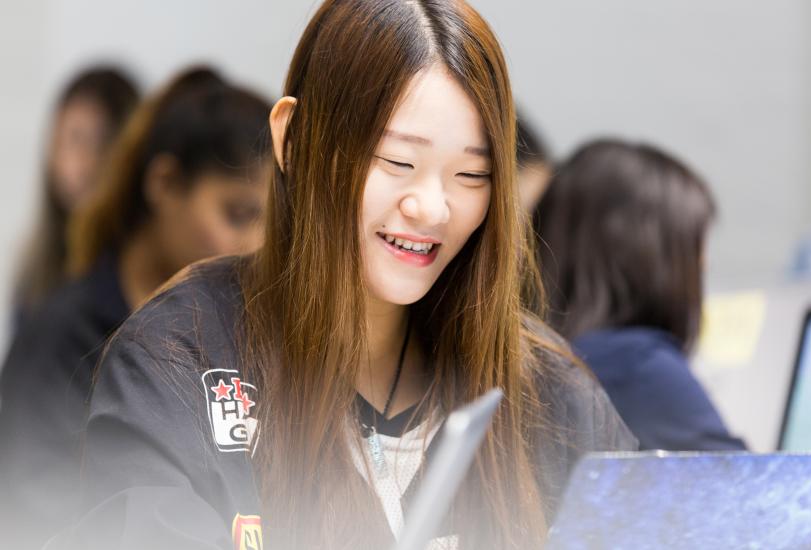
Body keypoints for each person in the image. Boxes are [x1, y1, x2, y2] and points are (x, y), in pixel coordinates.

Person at [52, 3, 636, 550]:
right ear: (292, 139)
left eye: (471, 174)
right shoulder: (180, 361)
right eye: (398, 163)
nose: (432, 208)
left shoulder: (547, 390)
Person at [0, 66, 271, 550]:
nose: (255, 245)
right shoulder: (61, 338)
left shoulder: (236, 336)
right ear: (164, 184)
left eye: (269, 223)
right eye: (236, 214)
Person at [535, 138, 747, 452]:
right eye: (694, 246)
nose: (704, 263)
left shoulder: (539, 350)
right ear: (648, 253)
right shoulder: (637, 364)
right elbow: (749, 488)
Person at [14, 66, 139, 324]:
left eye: (104, 143)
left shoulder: (139, 275)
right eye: (74, 139)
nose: (87, 164)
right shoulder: (37, 269)